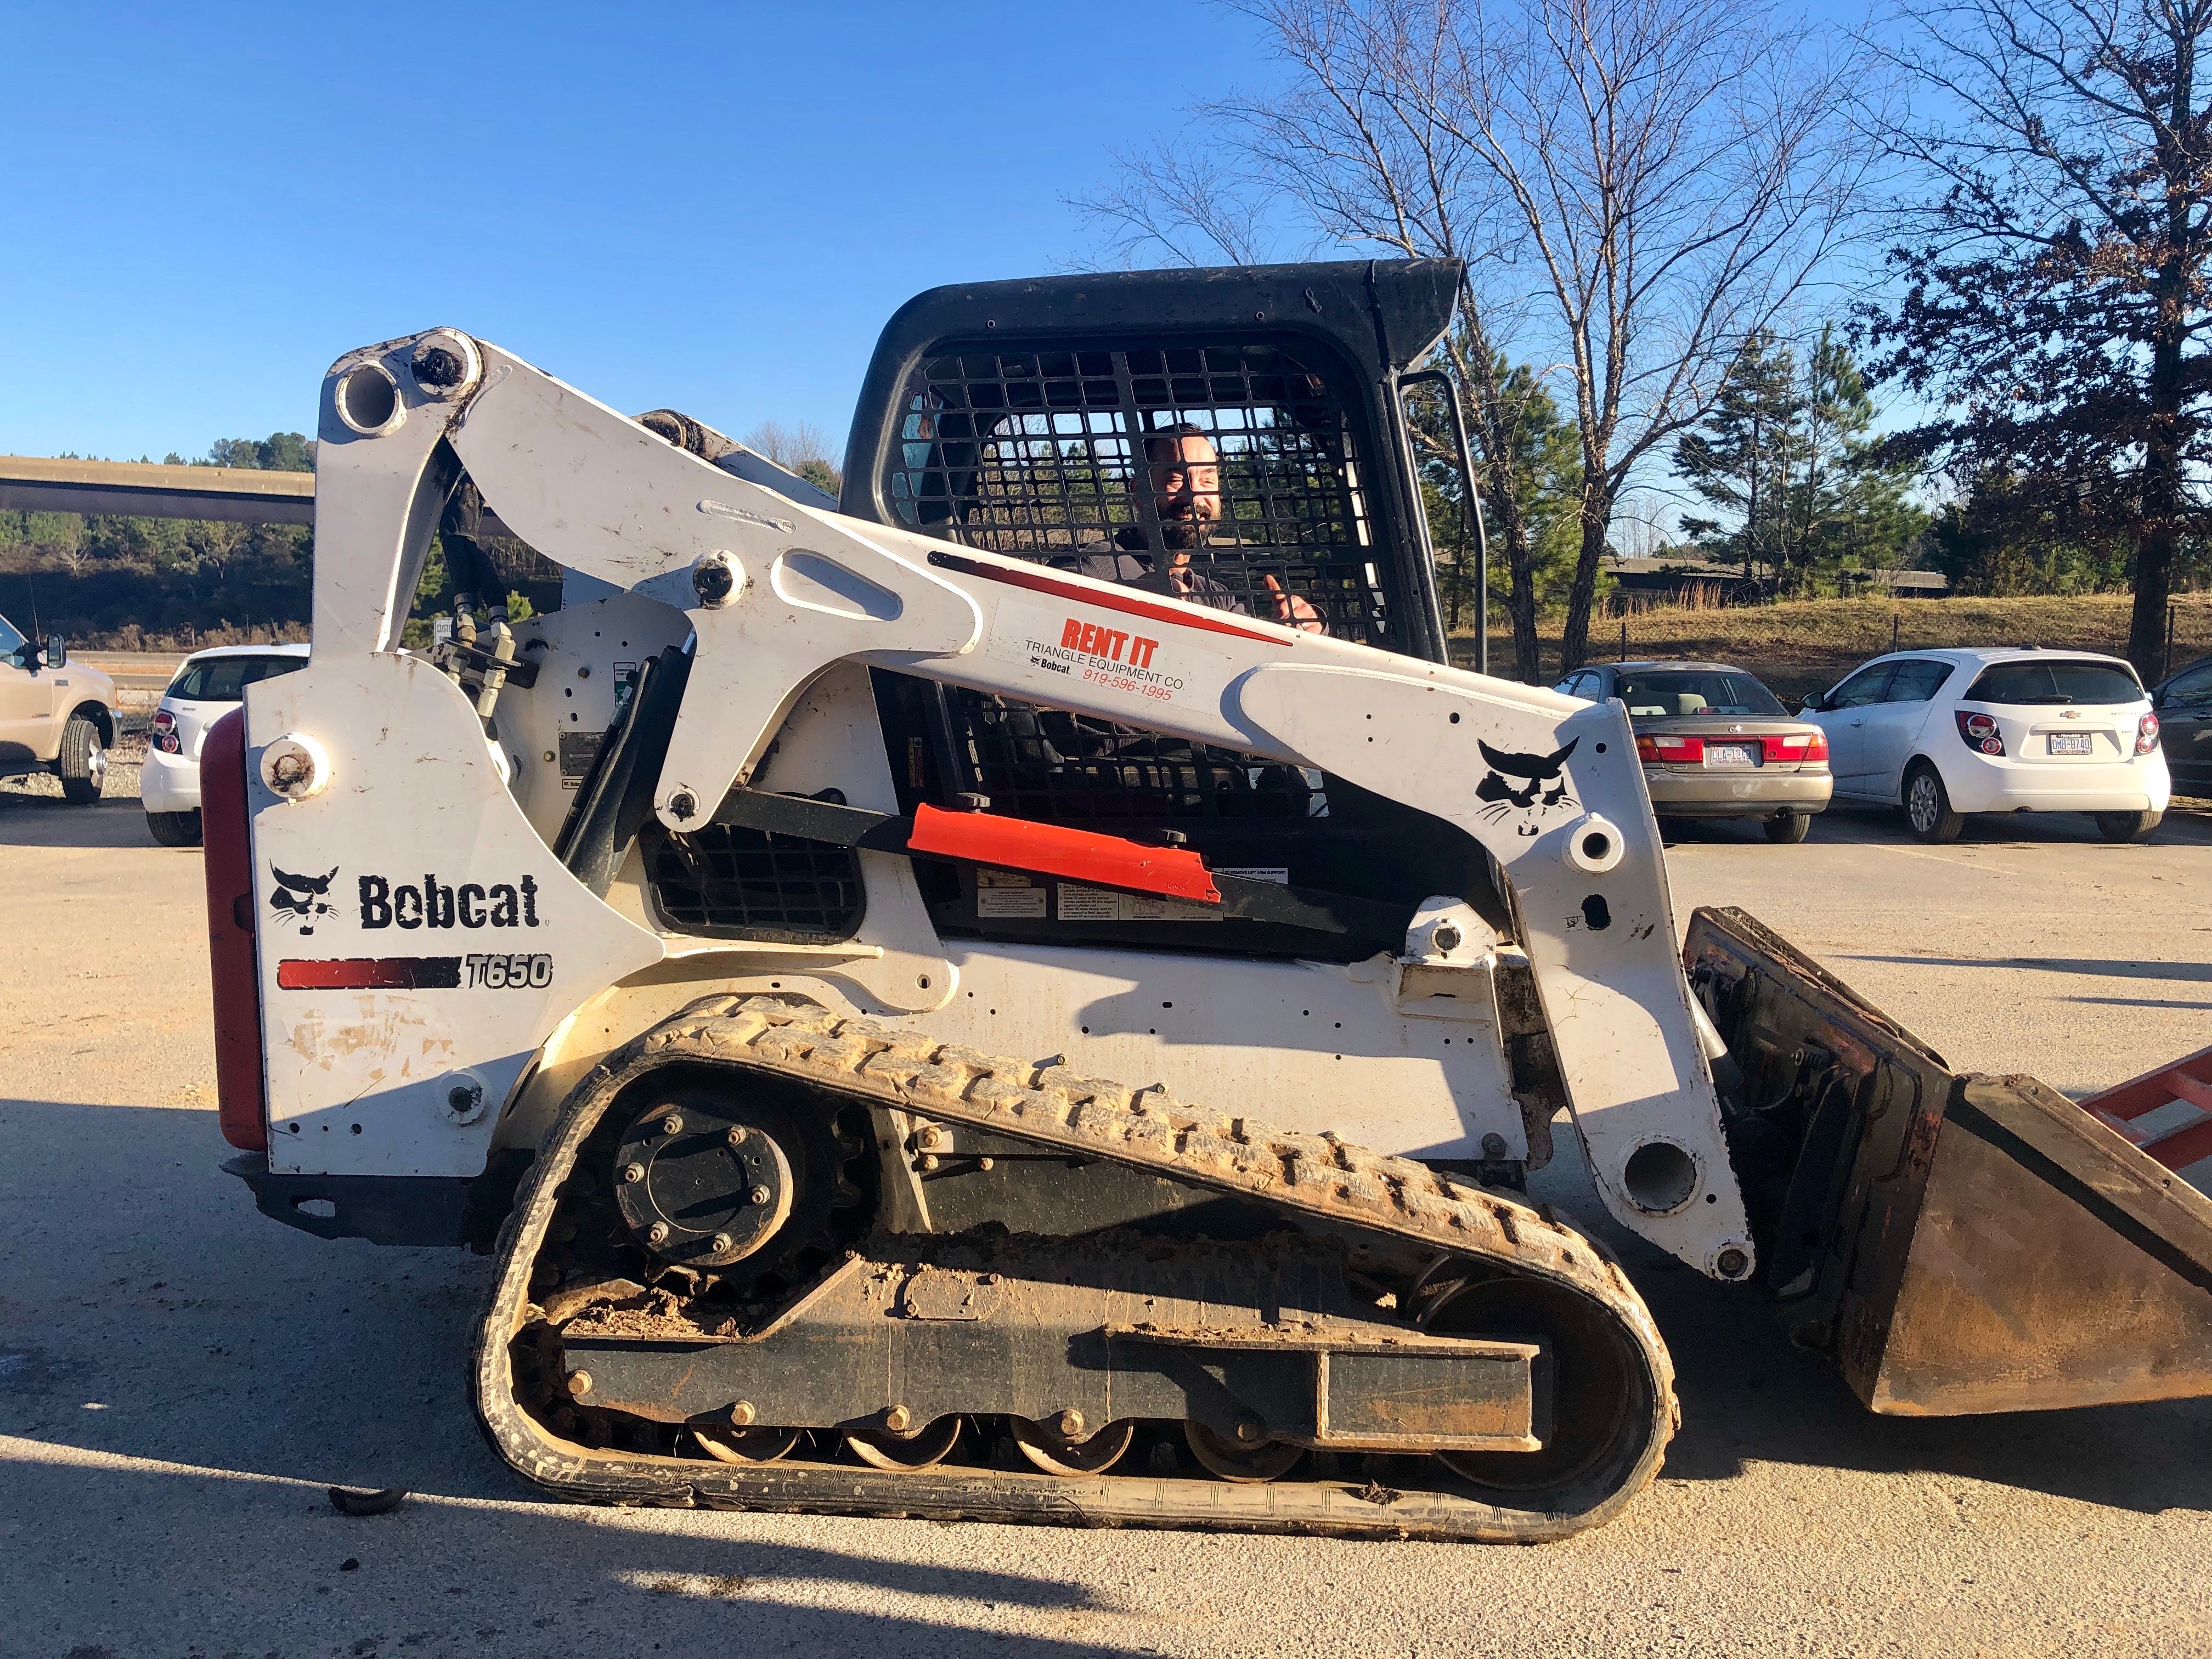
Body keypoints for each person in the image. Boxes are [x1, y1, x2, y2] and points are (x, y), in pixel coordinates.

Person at [1066, 425, 1325, 634]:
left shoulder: (1217, 599)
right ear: (1138, 492)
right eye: (1176, 479)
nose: (1194, 495)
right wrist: (1134, 607)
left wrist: (1304, 632)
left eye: (1208, 480)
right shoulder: (1094, 566)